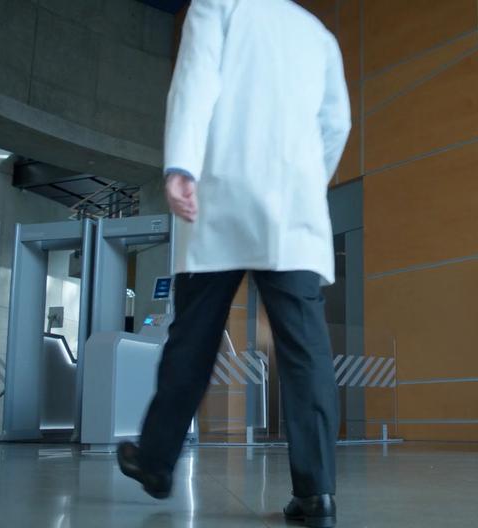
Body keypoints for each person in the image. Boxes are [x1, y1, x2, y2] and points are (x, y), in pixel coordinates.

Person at [116, 2, 350, 527]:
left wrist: (180, 163)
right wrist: (309, 179)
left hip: (219, 193)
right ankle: (317, 494)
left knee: (194, 335)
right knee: (305, 347)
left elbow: (196, 78)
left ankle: (155, 462)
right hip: (291, 206)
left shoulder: (217, 5)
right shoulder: (319, 34)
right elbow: (337, 122)